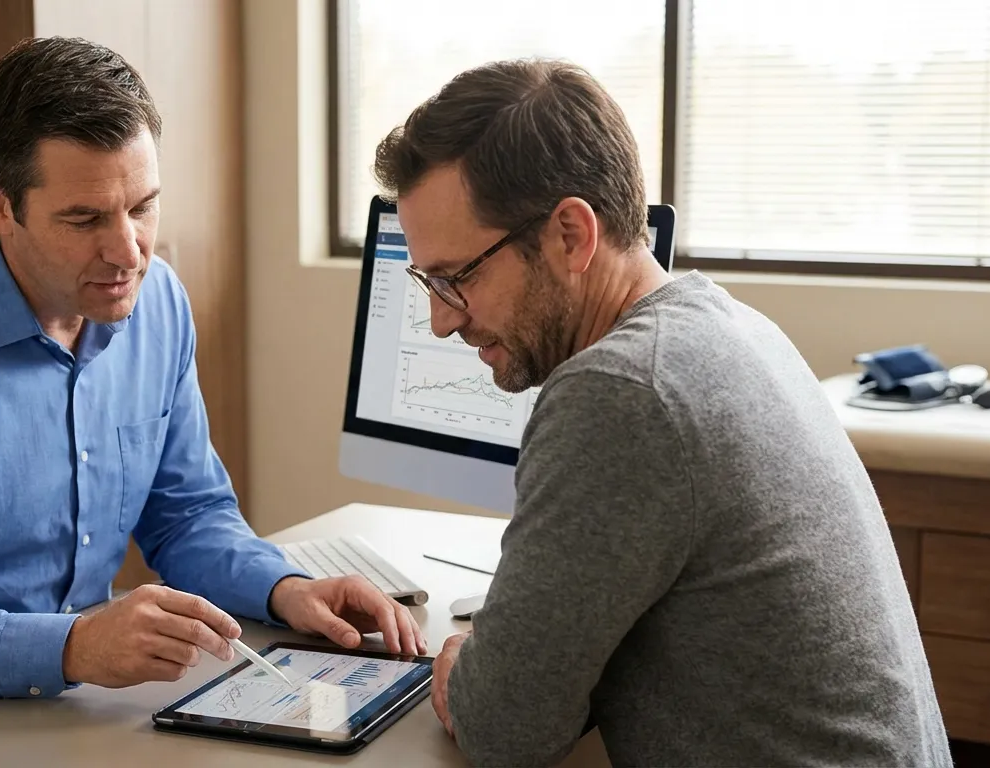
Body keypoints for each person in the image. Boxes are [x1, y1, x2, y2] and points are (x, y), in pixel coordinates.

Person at [0, 37, 423, 699]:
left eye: (143, 206)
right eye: (84, 218)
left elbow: (185, 515)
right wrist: (71, 647)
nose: (129, 252)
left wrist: (286, 589)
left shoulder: (159, 304)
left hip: (71, 707)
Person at [374, 58, 949, 767]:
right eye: (425, 282)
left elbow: (505, 729)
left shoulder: (622, 393)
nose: (438, 321)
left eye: (457, 279)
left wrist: (468, 661)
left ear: (570, 237)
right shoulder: (730, 326)